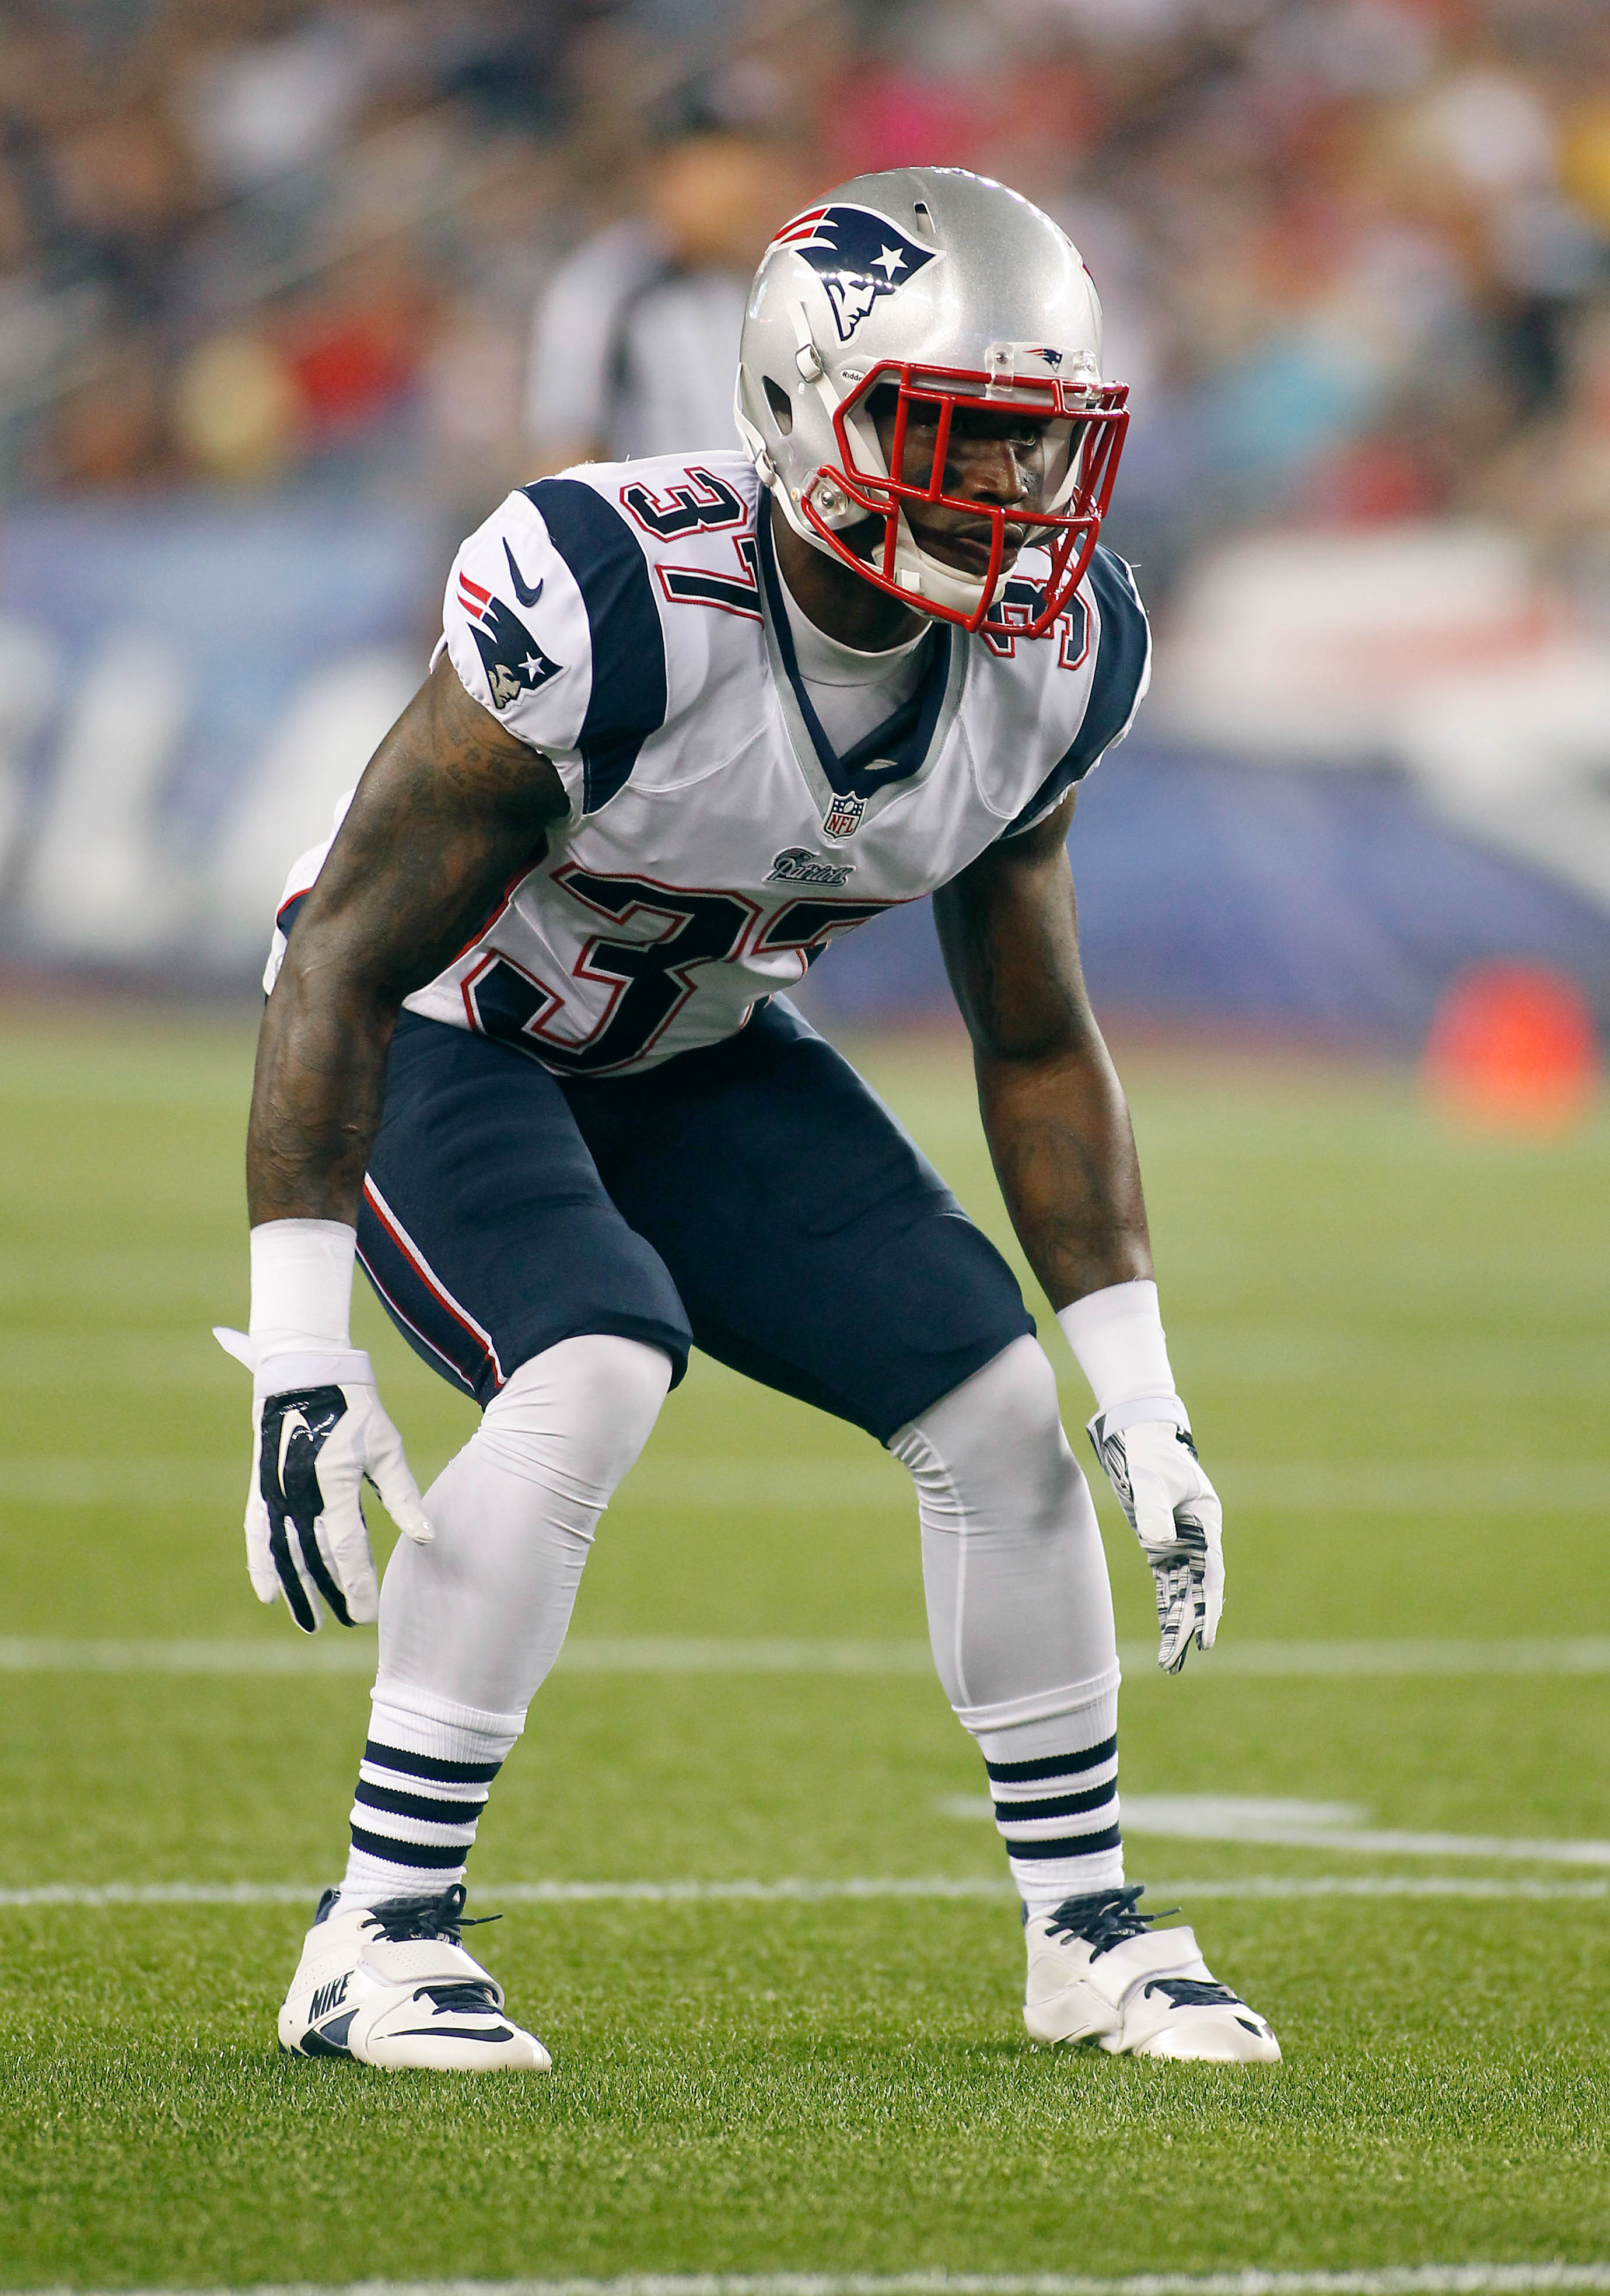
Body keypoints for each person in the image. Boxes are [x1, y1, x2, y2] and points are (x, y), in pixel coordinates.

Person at [219, 165, 1280, 2073]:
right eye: (963, 437)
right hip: (453, 1027)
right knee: (595, 1364)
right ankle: (372, 1930)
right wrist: (295, 1352)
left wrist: (1144, 1386)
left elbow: (1033, 1033)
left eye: (1042, 449)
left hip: (693, 1044)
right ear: (805, 410)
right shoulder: (617, 593)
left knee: (1002, 1409)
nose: (1016, 501)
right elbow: (342, 958)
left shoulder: (1057, 653)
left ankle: (1088, 1930)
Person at [524, 119, 789, 470]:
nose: (740, 190)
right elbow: (566, 445)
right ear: (665, 180)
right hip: (659, 517)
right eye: (715, 169)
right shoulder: (607, 288)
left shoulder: (765, 282)